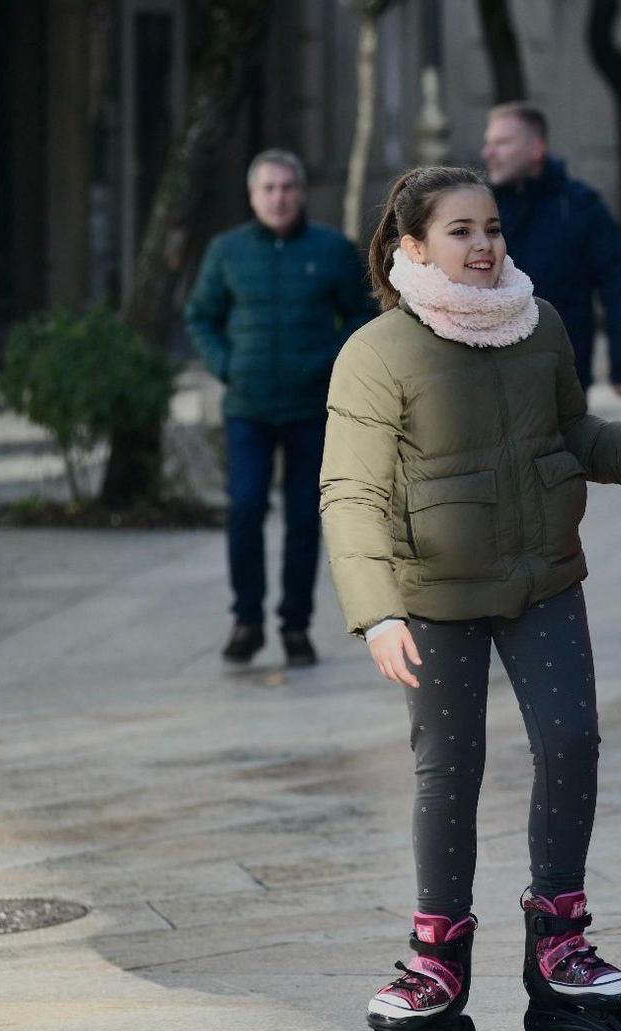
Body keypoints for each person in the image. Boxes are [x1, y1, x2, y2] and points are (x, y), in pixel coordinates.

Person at [320, 166, 621, 1031]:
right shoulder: (377, 353)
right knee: (450, 768)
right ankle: (437, 954)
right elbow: (351, 492)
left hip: (544, 577)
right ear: (413, 246)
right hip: (434, 595)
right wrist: (376, 614)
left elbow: (569, 432)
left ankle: (559, 936)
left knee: (570, 741)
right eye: (459, 231)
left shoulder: (539, 323)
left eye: (492, 228)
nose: (484, 246)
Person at [185, 148, 376, 668]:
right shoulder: (226, 252)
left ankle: (295, 625)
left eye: (288, 187)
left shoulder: (333, 249)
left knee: (302, 519)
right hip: (247, 406)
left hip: (311, 409)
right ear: (252, 196)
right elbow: (200, 317)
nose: (279, 197)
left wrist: (332, 364)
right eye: (268, 189)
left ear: (301, 193)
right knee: (245, 508)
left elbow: (363, 316)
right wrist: (227, 365)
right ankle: (246, 620)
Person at [481, 102, 621, 392]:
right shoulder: (482, 208)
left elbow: (618, 284)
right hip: (492, 368)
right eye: (488, 143)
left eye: (502, 142)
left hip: (563, 374)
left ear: (536, 149)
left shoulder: (578, 207)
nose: (488, 153)